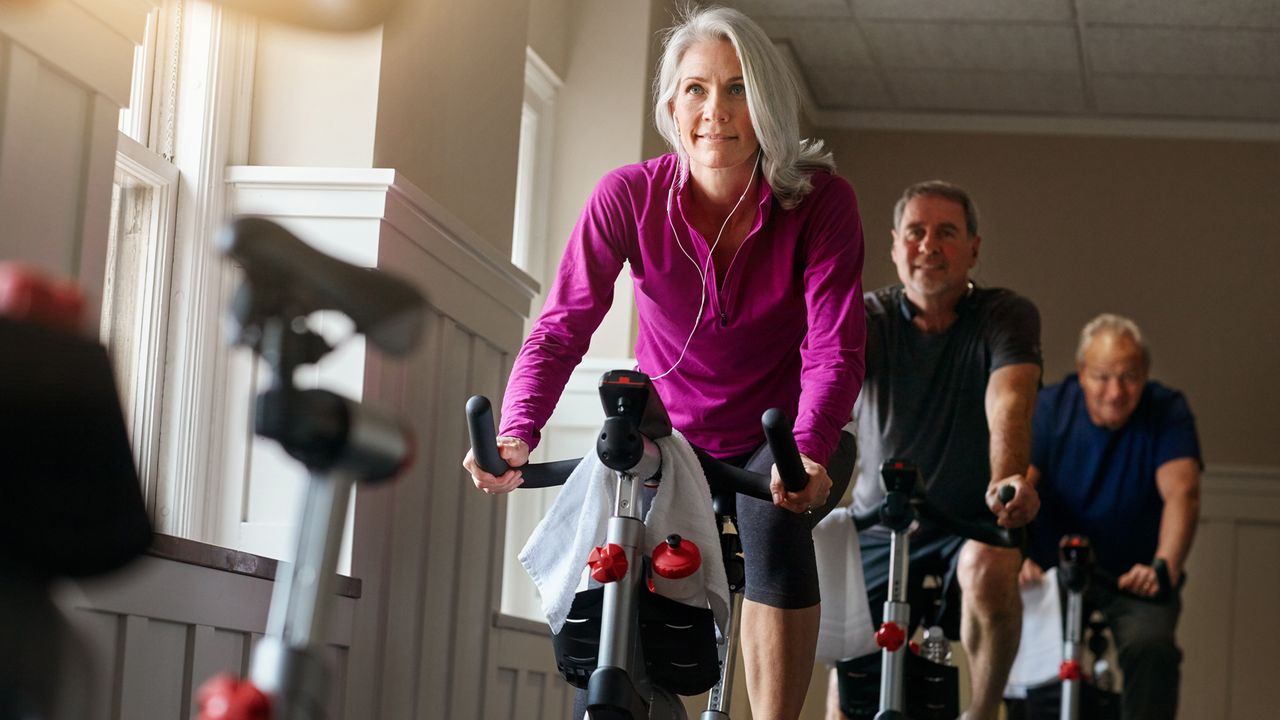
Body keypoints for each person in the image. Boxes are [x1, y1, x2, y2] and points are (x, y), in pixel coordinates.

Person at [461, 6, 866, 718]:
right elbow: (562, 325)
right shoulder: (628, 195)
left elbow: (834, 348)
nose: (716, 112)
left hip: (772, 439)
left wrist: (801, 454)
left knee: (773, 528)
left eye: (738, 88)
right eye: (696, 89)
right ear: (671, 104)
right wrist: (516, 431)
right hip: (667, 434)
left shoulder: (822, 203)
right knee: (618, 527)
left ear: (767, 99)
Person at [823, 180, 1043, 720]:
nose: (930, 245)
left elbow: (1009, 401)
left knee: (992, 566)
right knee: (847, 688)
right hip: (879, 524)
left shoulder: (1004, 315)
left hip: (966, 524)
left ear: (974, 247)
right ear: (895, 245)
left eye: (946, 233)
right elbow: (826, 396)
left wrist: (1008, 479)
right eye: (917, 233)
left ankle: (983, 712)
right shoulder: (865, 318)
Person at [1020, 313, 1201, 720]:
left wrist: (1163, 567)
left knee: (1151, 646)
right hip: (1052, 568)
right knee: (1034, 652)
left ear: (1146, 374)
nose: (1116, 392)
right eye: (1102, 377)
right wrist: (1016, 554)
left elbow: (1183, 493)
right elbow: (1019, 488)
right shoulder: (1050, 407)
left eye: (1129, 377)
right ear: (1082, 373)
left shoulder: (1167, 410)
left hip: (1134, 573)